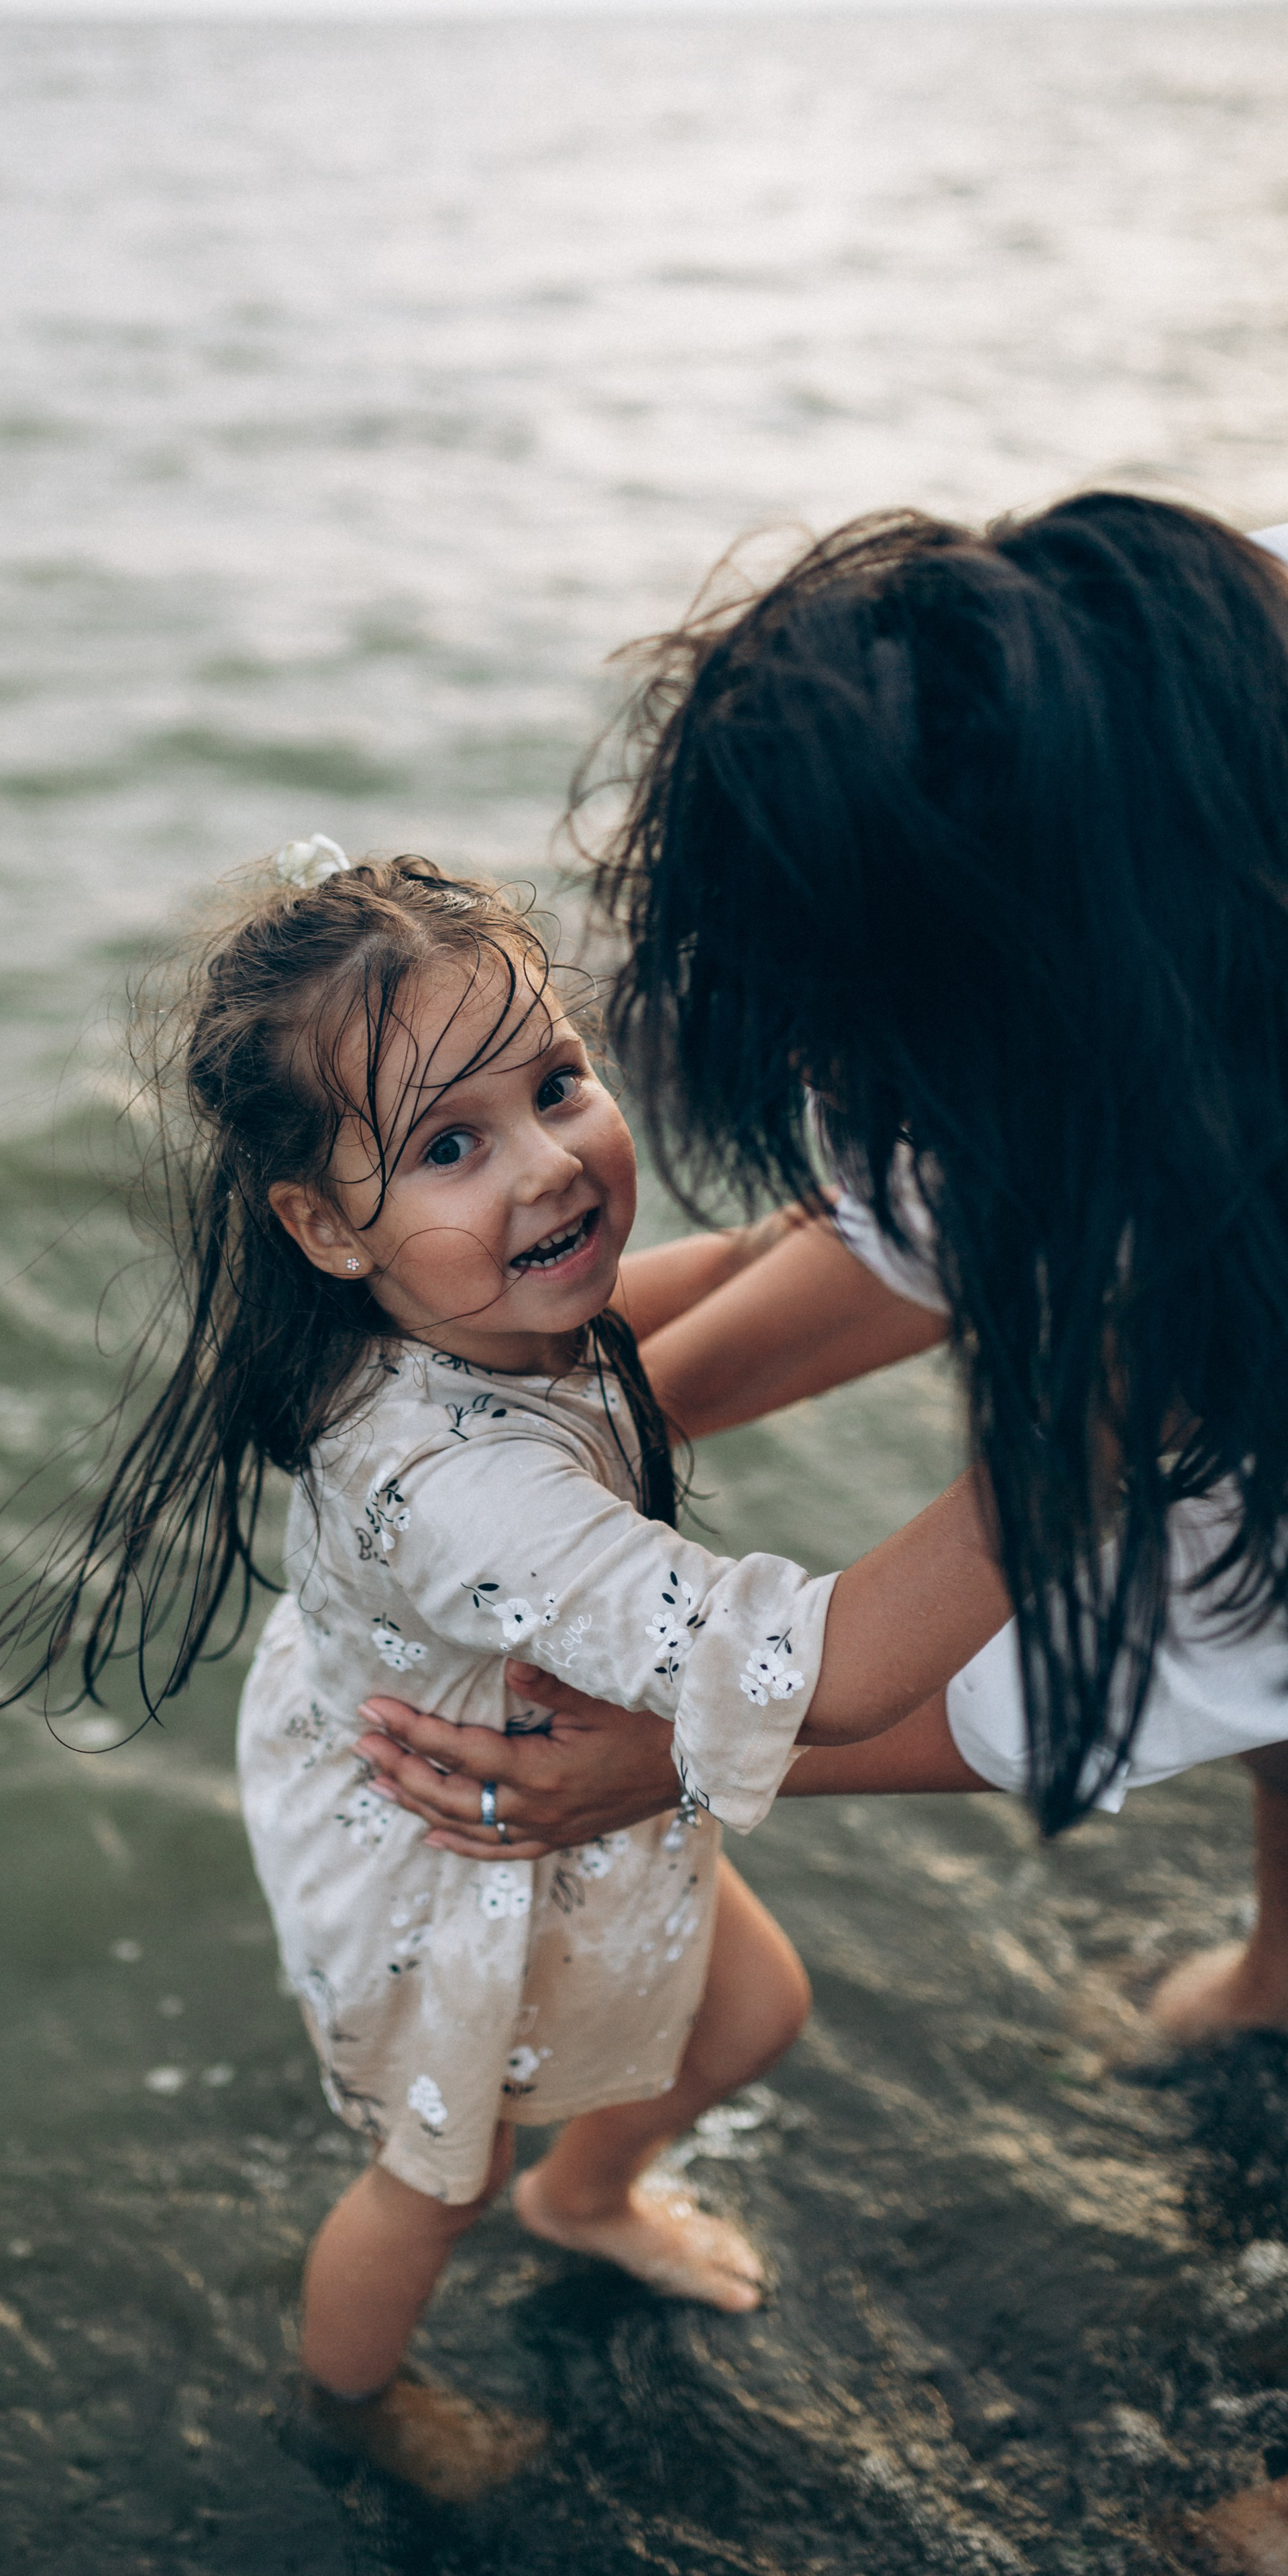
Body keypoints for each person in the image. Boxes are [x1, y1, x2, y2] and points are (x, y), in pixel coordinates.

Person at [0, 845, 1011, 2499]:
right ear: (319, 1226)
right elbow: (822, 1673)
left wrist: (844, 1225)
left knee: (751, 2015)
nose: (549, 1162)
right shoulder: (453, 1490)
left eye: (555, 1085)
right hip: (447, 1840)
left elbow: (669, 1306)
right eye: (450, 1143)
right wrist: (1074, 1449)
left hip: (551, 1753)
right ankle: (347, 2402)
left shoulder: (485, 1309)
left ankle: (586, 2198)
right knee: (434, 2178)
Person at [354, 498, 1288, 2055]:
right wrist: (508, 1411)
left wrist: (674, 1754)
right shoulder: (1170, 780)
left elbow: (1187, 1648)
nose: (815, 1070)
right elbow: (934, 1218)